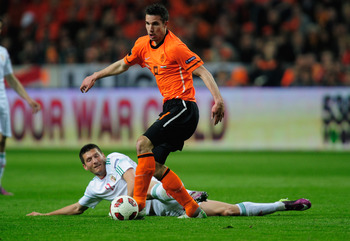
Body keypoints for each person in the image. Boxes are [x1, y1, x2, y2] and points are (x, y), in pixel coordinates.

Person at [79, 3, 225, 218]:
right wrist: (95, 75)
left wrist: (218, 100)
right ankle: (191, 208)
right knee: (153, 166)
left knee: (142, 143)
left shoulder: (176, 47)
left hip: (183, 107)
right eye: (147, 24)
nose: (150, 28)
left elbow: (203, 72)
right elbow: (122, 64)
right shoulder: (142, 45)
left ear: (165, 24)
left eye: (155, 24)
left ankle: (137, 205)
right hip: (170, 107)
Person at [27, 144, 312, 217]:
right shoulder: (94, 187)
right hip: (159, 207)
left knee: (229, 210)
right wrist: (45, 214)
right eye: (89, 160)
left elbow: (136, 181)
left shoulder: (115, 159)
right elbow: (78, 208)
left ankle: (283, 205)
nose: (95, 160)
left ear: (103, 154)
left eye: (96, 155)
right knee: (223, 211)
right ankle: (189, 197)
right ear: (86, 168)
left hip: (156, 193)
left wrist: (130, 203)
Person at [0, 18, 41, 195]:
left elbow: (11, 79)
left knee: (2, 142)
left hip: (2, 101)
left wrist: (28, 99)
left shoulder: (3, 52)